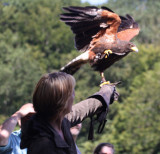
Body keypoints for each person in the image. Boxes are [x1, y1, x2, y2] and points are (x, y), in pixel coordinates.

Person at [20, 72, 118, 154]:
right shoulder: (43, 143)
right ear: (61, 100)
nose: (74, 95)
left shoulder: (60, 119)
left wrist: (107, 91)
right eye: (71, 92)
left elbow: (86, 107)